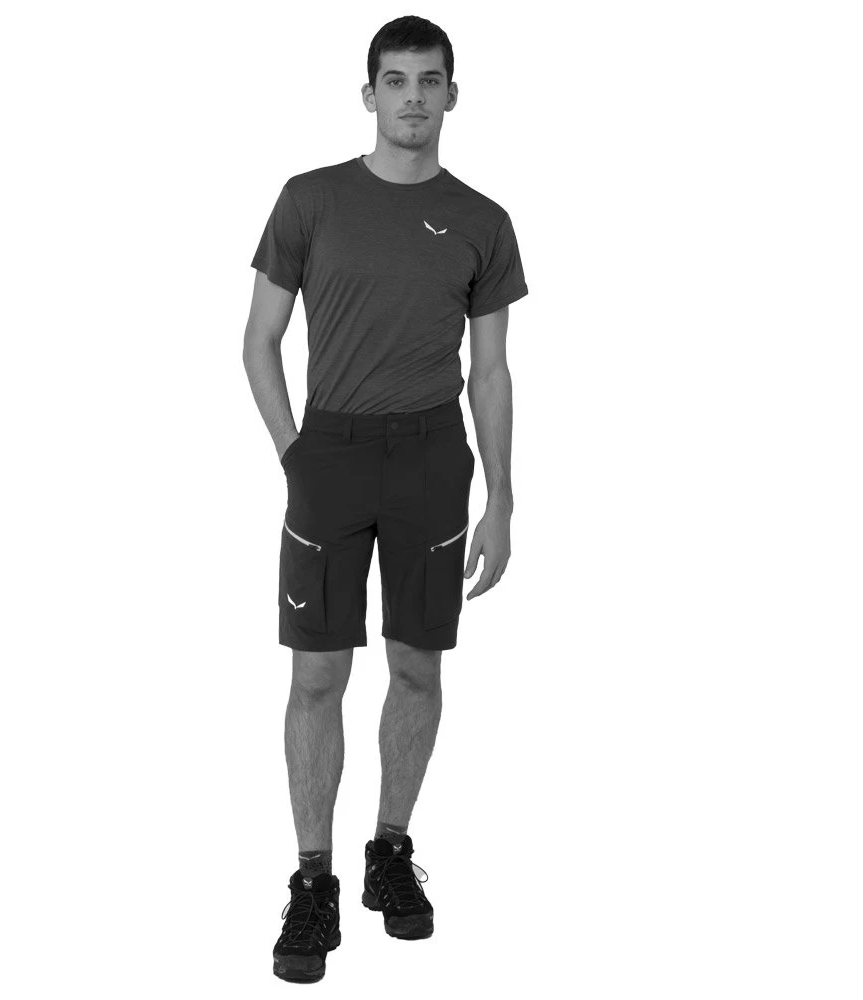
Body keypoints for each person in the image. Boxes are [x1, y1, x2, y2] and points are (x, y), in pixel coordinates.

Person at [243, 15, 528, 984]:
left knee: (416, 666)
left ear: (453, 95)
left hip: (432, 460)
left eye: (429, 79)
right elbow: (258, 340)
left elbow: (491, 371)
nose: (413, 96)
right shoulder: (310, 200)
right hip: (330, 451)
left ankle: (390, 852)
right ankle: (312, 878)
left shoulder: (483, 220)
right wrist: (296, 455)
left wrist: (503, 498)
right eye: (395, 80)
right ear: (368, 95)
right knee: (316, 674)